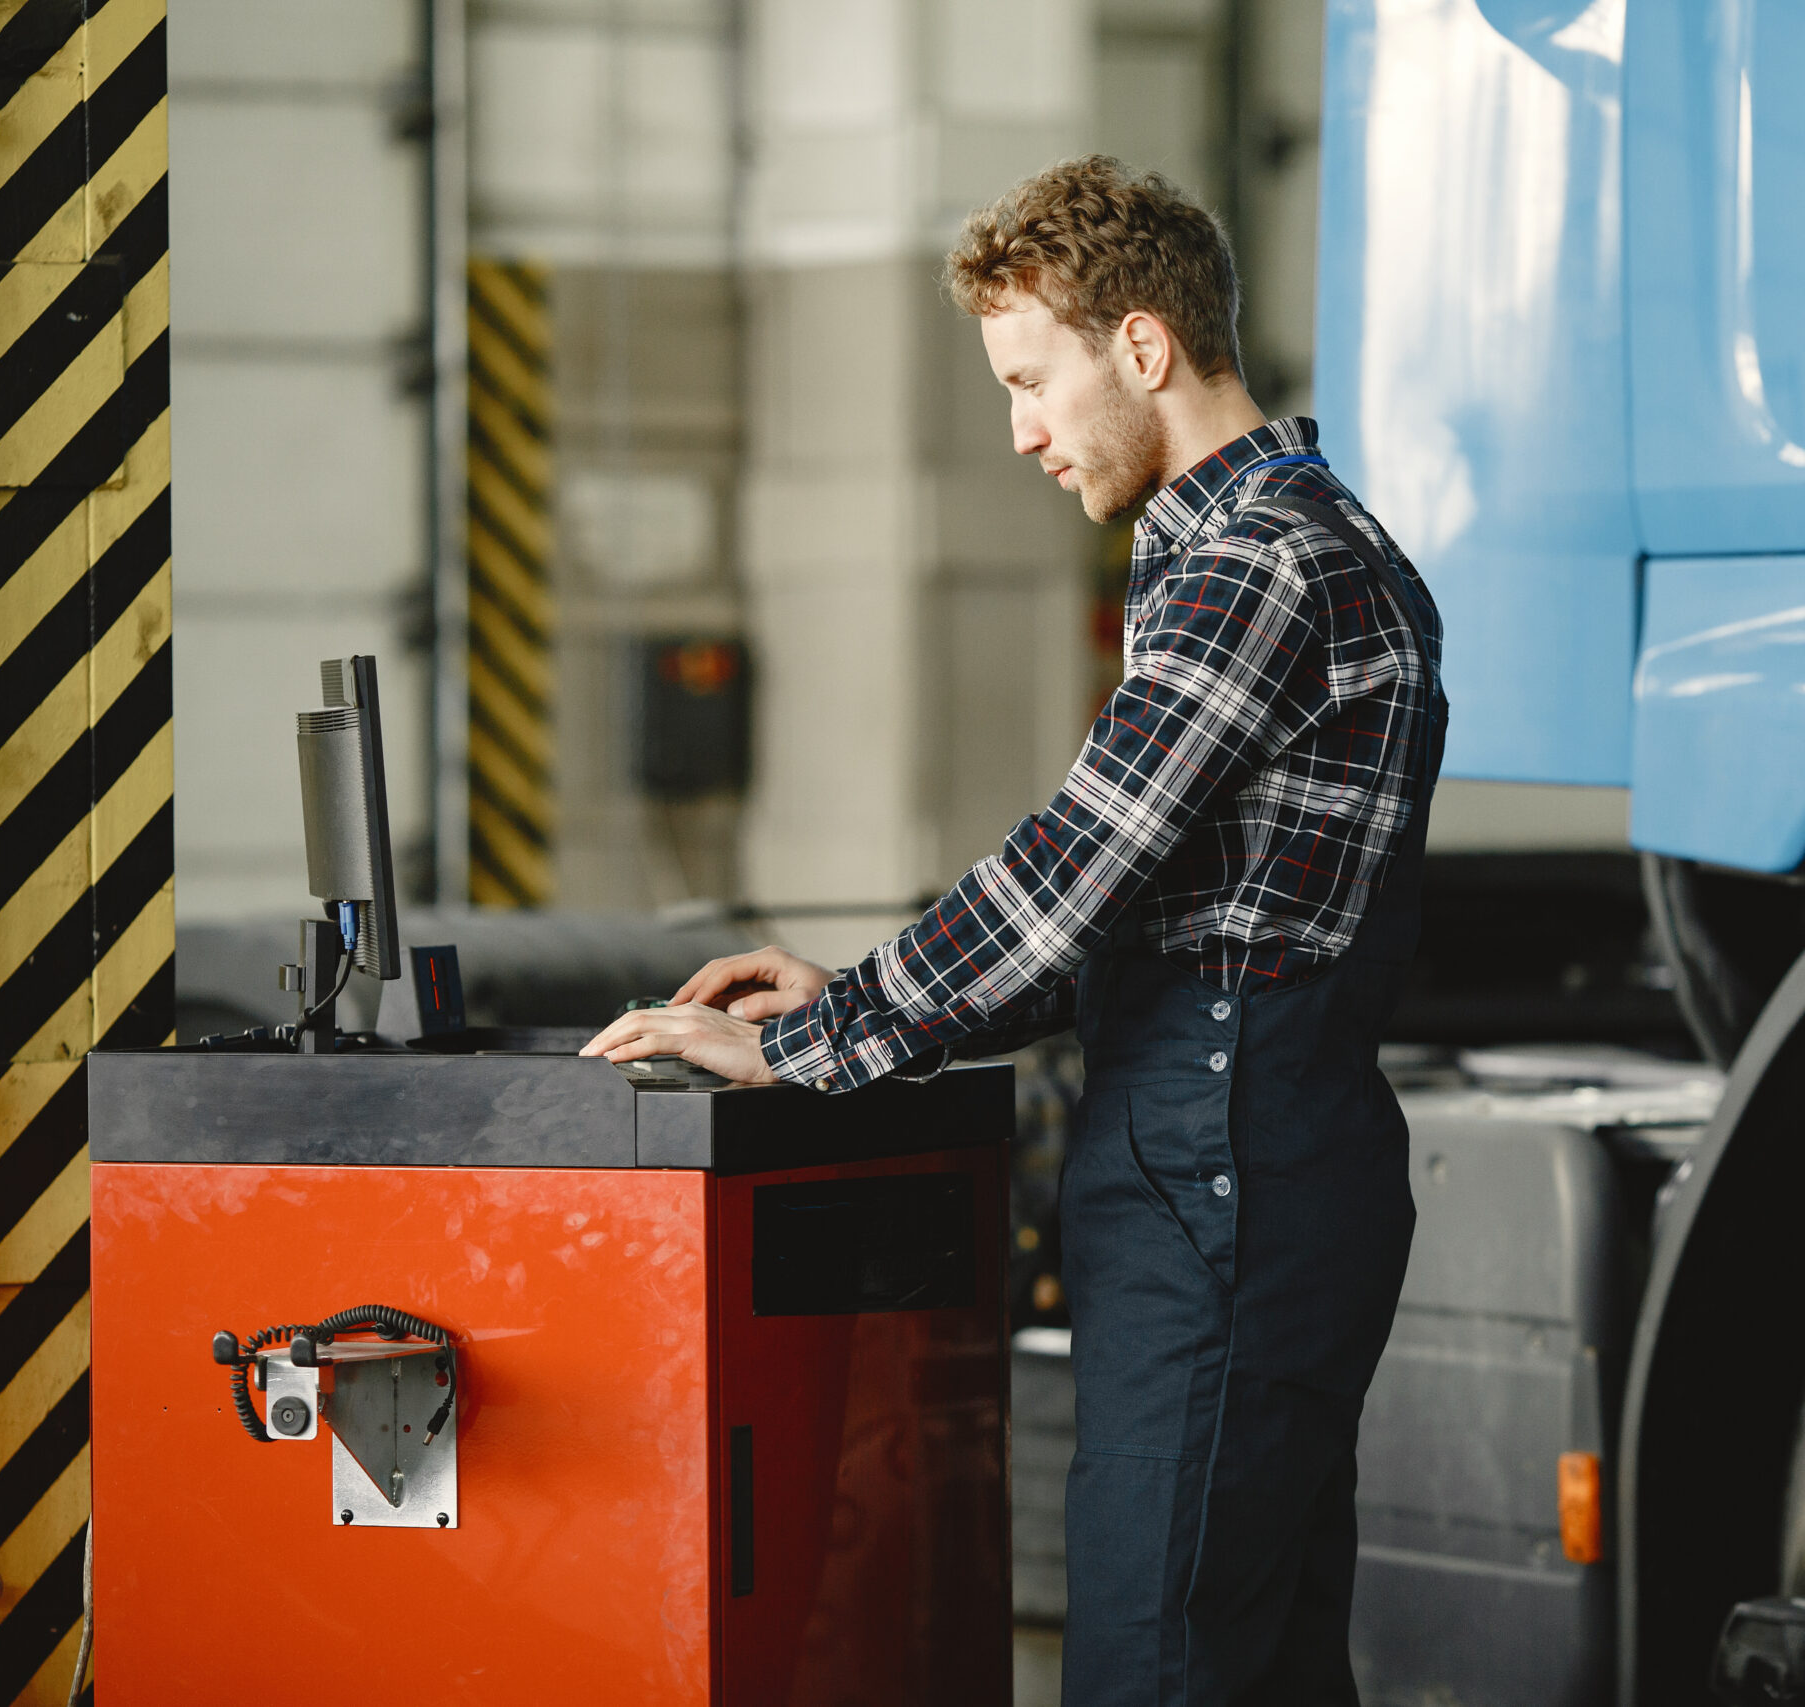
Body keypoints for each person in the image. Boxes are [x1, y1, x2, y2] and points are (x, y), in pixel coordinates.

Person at [582, 154, 1446, 1706]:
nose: (1021, 431)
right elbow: (1160, 908)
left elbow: (1067, 884)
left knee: (1158, 1670)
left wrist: (810, 1046)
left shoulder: (1263, 561)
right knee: (1256, 1668)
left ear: (1142, 346)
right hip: (1243, 1155)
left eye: (1032, 380)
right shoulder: (1246, 548)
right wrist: (854, 990)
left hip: (1225, 1172)